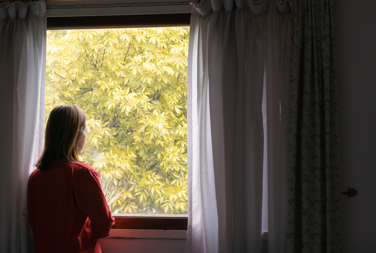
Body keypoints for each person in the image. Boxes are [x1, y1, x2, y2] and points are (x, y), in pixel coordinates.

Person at [27, 104, 115, 253]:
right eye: (85, 131)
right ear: (76, 135)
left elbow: (36, 225)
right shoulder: (82, 174)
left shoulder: (36, 178)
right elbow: (104, 225)